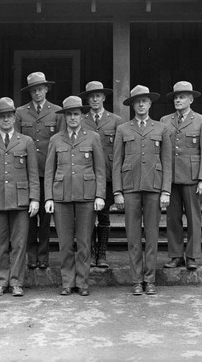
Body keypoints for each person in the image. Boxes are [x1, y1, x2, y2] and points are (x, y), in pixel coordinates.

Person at [113, 85, 172, 296]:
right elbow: (117, 162)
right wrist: (117, 191)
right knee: (133, 236)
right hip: (130, 188)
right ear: (132, 105)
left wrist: (165, 191)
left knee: (152, 235)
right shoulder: (123, 129)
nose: (140, 104)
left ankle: (150, 280)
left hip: (154, 188)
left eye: (144, 101)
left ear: (149, 104)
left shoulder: (161, 128)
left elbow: (167, 161)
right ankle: (137, 280)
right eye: (137, 101)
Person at [45, 96, 106, 296]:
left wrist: (99, 196)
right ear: (64, 116)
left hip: (86, 196)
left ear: (82, 116)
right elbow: (49, 171)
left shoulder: (92, 137)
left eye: (76, 114)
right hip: (61, 197)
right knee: (64, 242)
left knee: (84, 242)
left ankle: (82, 283)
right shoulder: (56, 139)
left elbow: (100, 170)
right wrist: (48, 198)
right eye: (69, 114)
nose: (72, 118)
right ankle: (67, 282)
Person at [0, 97, 40, 297]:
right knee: (0, 243)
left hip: (21, 200)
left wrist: (34, 198)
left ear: (14, 118)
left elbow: (33, 173)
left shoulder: (26, 141)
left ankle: (16, 282)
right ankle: (1, 282)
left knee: (19, 243)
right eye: (2, 117)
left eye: (9, 116)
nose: (6, 120)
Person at [161, 81, 202, 270]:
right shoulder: (165, 121)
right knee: (172, 218)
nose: (178, 100)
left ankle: (192, 256)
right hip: (171, 178)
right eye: (176, 97)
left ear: (191, 99)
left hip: (193, 178)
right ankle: (176, 255)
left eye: (182, 97)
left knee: (193, 217)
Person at [15, 72, 64, 270]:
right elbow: (17, 142)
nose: (37, 93)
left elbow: (60, 142)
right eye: (33, 90)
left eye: (40, 89)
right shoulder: (20, 112)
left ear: (46, 89)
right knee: (27, 218)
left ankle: (43, 256)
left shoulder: (57, 111)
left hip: (47, 172)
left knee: (45, 218)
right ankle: (30, 256)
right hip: (25, 173)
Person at [80, 81, 123, 268]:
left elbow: (120, 152)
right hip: (87, 174)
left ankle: (102, 253)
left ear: (104, 97)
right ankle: (89, 253)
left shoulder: (116, 121)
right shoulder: (81, 120)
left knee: (104, 215)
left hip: (108, 175)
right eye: (91, 96)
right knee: (88, 215)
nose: (95, 99)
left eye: (98, 95)